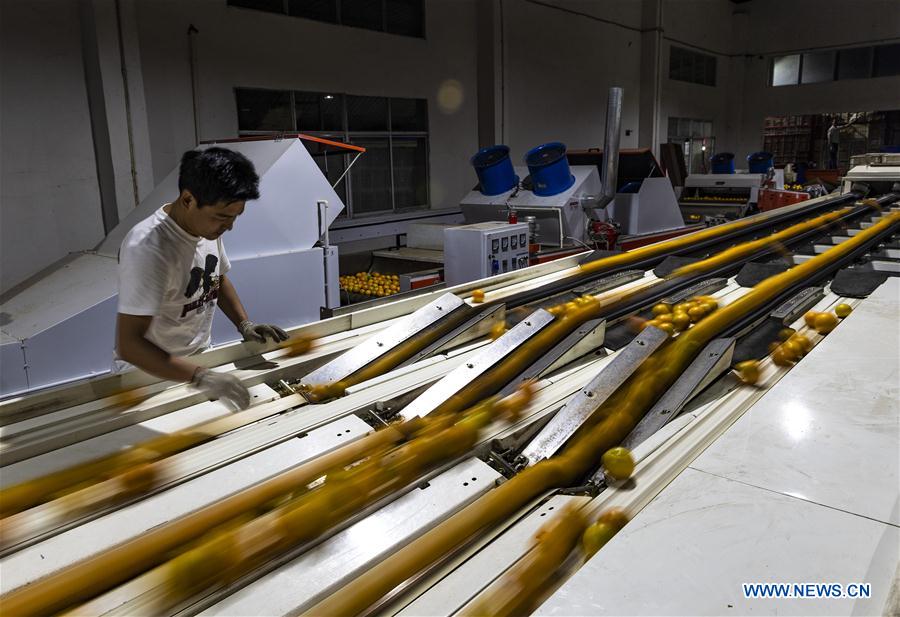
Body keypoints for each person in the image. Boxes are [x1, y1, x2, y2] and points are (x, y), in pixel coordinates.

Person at [114, 147, 289, 410]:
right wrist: (200, 377)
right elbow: (129, 345)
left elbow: (217, 279)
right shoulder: (148, 248)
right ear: (188, 200)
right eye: (222, 217)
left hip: (197, 363)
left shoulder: (205, 229)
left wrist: (244, 324)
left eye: (235, 217)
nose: (229, 227)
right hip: (148, 377)